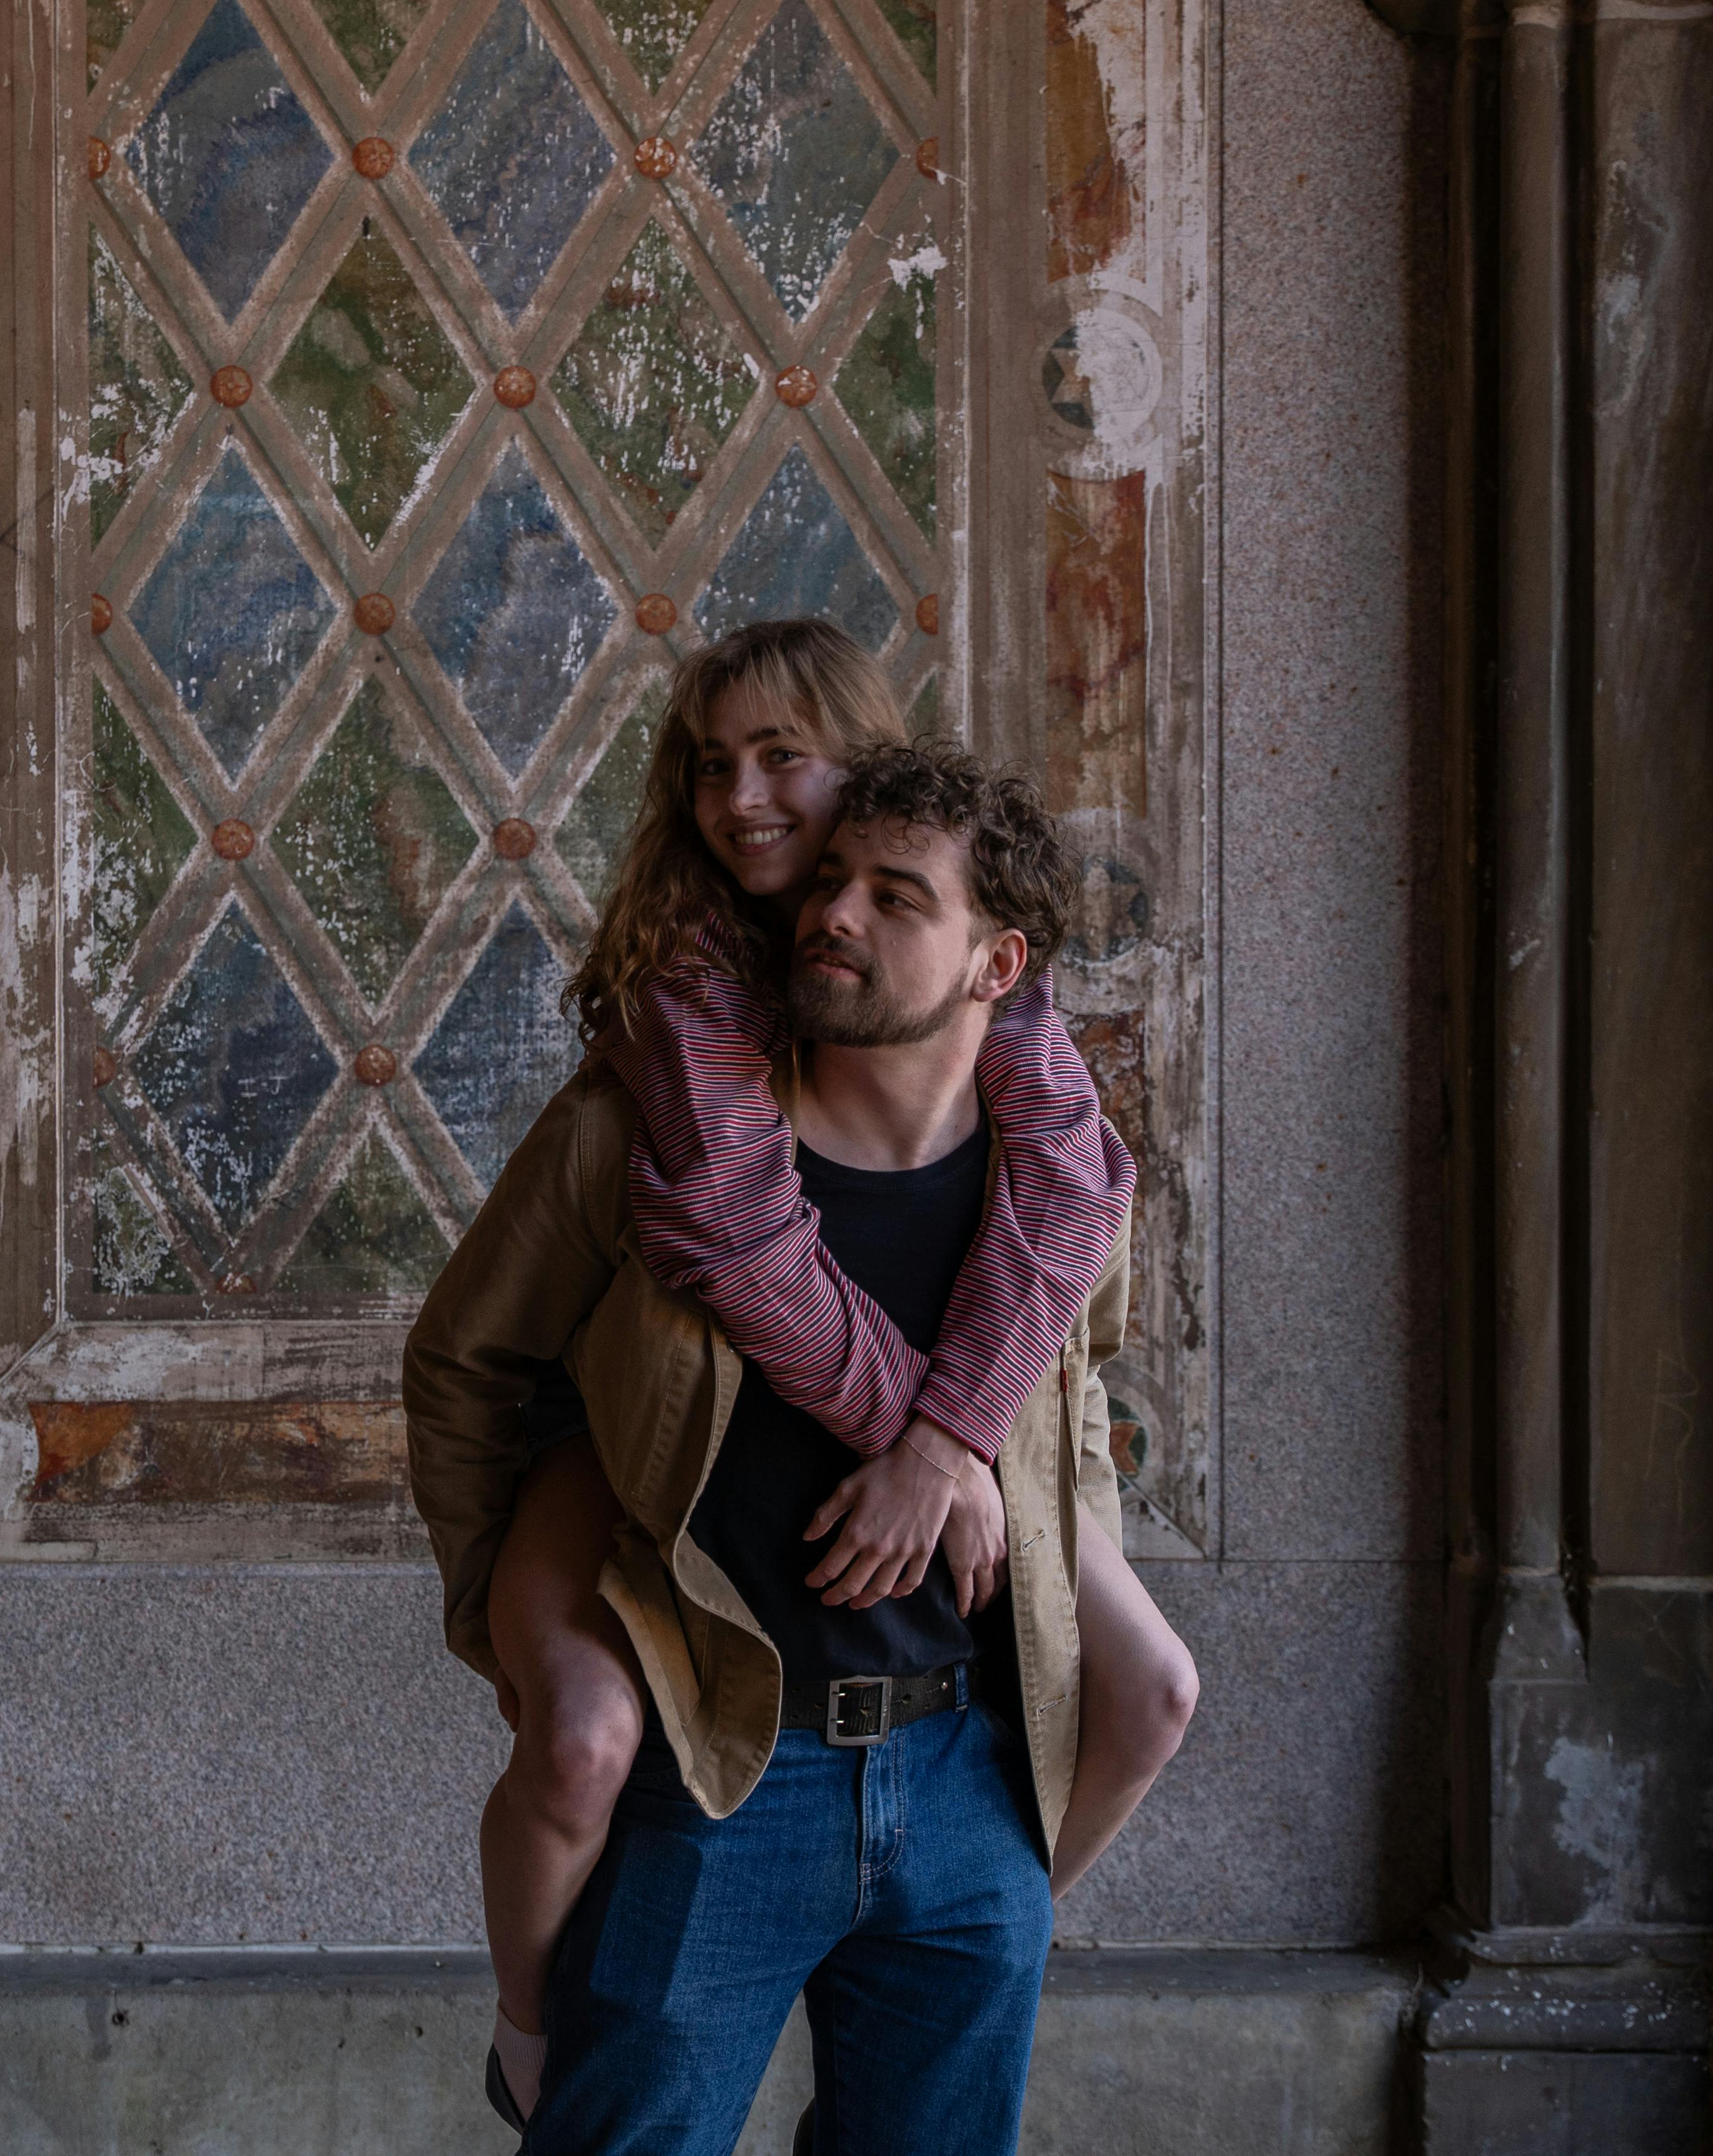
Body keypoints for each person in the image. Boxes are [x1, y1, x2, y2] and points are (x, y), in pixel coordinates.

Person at [455, 623, 1198, 2132]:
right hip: (732, 1770)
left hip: (960, 1765)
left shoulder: (1038, 1107)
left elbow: (1076, 1348)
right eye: (711, 764)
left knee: (1153, 1685)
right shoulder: (662, 1059)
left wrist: (971, 1452)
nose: (744, 801)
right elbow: (486, 1353)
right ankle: (523, 2029)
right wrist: (505, 1595)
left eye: (781, 759)